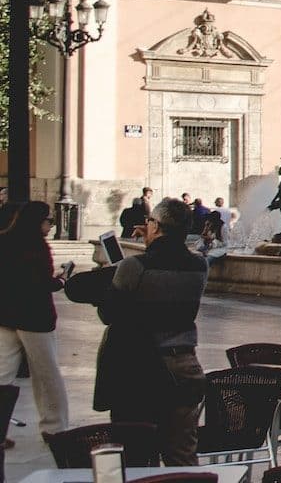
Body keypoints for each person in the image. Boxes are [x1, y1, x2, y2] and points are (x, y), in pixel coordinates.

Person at [64, 197, 208, 464]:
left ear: (156, 226)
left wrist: (120, 267)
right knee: (182, 454)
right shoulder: (199, 265)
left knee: (138, 456)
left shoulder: (134, 266)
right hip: (183, 366)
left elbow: (109, 313)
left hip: (138, 370)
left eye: (150, 220)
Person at [1, 202, 72, 441]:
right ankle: (55, 428)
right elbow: (41, 283)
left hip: (6, 316)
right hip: (34, 318)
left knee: (2, 376)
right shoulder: (37, 247)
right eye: (49, 221)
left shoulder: (4, 240)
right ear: (36, 221)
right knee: (47, 374)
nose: (51, 226)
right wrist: (61, 281)